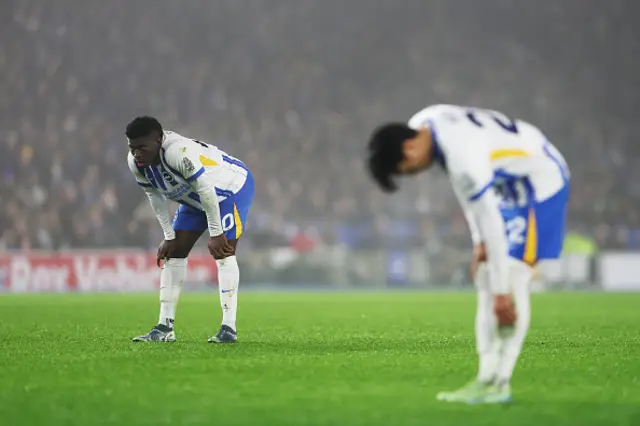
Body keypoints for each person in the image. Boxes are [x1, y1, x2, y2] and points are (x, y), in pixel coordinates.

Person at [366, 104, 570, 404]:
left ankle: (500, 384)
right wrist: (479, 243)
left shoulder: (462, 158)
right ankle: (485, 378)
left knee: (511, 277)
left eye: (407, 171)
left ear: (409, 149)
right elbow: (469, 197)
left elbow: (490, 220)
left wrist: (501, 293)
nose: (414, 175)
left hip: (539, 180)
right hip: (508, 179)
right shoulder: (426, 121)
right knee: (487, 276)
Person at [126, 116, 254, 343]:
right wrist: (168, 236)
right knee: (173, 252)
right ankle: (164, 327)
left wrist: (215, 233)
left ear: (158, 139)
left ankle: (228, 328)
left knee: (223, 251)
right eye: (132, 148)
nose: (136, 153)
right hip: (192, 197)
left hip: (228, 189)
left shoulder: (178, 152)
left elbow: (207, 189)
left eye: (142, 147)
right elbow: (154, 196)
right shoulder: (136, 163)